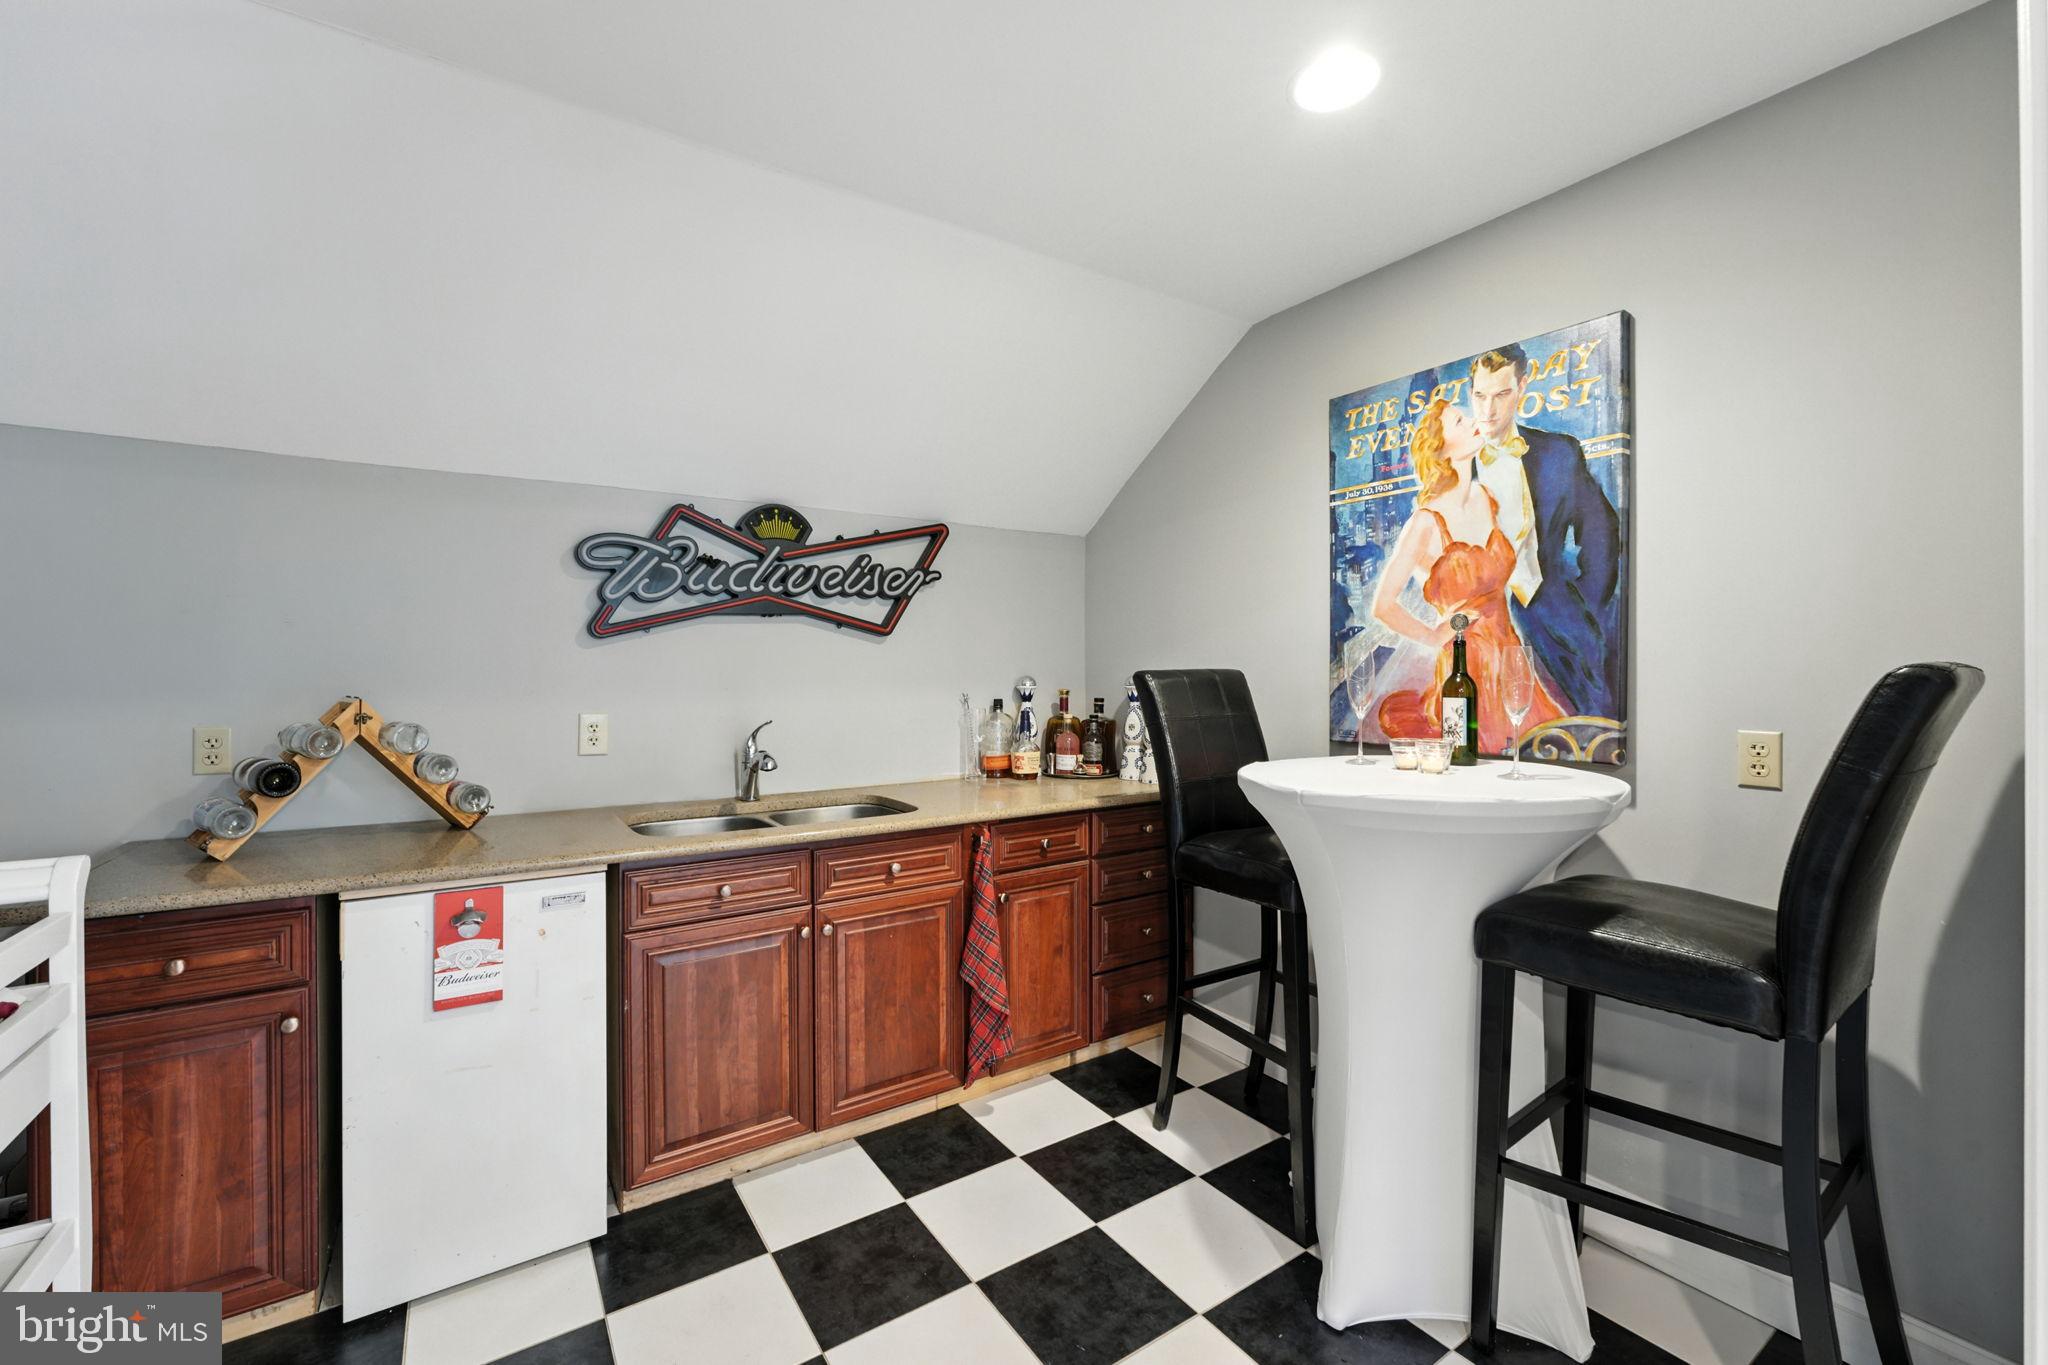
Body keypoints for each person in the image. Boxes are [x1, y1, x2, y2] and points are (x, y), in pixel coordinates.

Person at [1372, 398, 1561, 752]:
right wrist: (1432, 635)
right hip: (1465, 666)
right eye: (1459, 421)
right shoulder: (1426, 522)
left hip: (1508, 658)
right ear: (1441, 449)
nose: (1473, 421)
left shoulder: (1486, 498)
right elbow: (1382, 605)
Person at [1467, 343, 1623, 720]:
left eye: (1502, 394)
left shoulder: (1559, 453)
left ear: (1521, 388)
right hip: (1475, 628)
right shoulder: (1454, 464)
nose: (1488, 410)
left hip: (1552, 612)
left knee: (1589, 715)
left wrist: (1588, 602)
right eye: (1480, 396)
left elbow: (1601, 529)